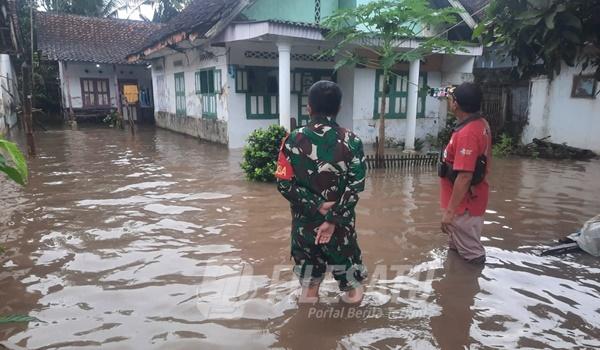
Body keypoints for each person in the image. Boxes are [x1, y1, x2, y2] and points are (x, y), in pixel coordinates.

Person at [276, 80, 367, 304]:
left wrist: (317, 204)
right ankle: (349, 331)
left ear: (309, 107)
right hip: (341, 231)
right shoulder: (352, 141)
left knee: (309, 290)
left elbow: (284, 184)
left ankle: (310, 332)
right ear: (339, 108)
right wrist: (333, 219)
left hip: (305, 229)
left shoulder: (292, 140)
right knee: (353, 290)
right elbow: (356, 186)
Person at [439, 82, 491, 264]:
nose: (449, 102)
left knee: (472, 254)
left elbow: (465, 176)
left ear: (456, 105)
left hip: (464, 206)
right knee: (456, 249)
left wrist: (450, 213)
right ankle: (454, 281)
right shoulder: (478, 123)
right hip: (462, 203)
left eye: (451, 99)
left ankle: (470, 287)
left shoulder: (468, 133)